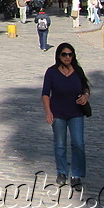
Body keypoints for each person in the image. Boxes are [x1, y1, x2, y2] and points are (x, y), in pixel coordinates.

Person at [41, 42, 90, 189]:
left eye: (70, 54)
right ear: (58, 56)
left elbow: (85, 87)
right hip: (58, 114)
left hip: (76, 113)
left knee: (78, 144)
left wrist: (86, 96)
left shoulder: (78, 71)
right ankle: (61, 172)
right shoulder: (51, 72)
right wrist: (48, 112)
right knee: (60, 145)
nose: (67, 57)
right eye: (64, 54)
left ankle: (77, 175)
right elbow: (45, 94)